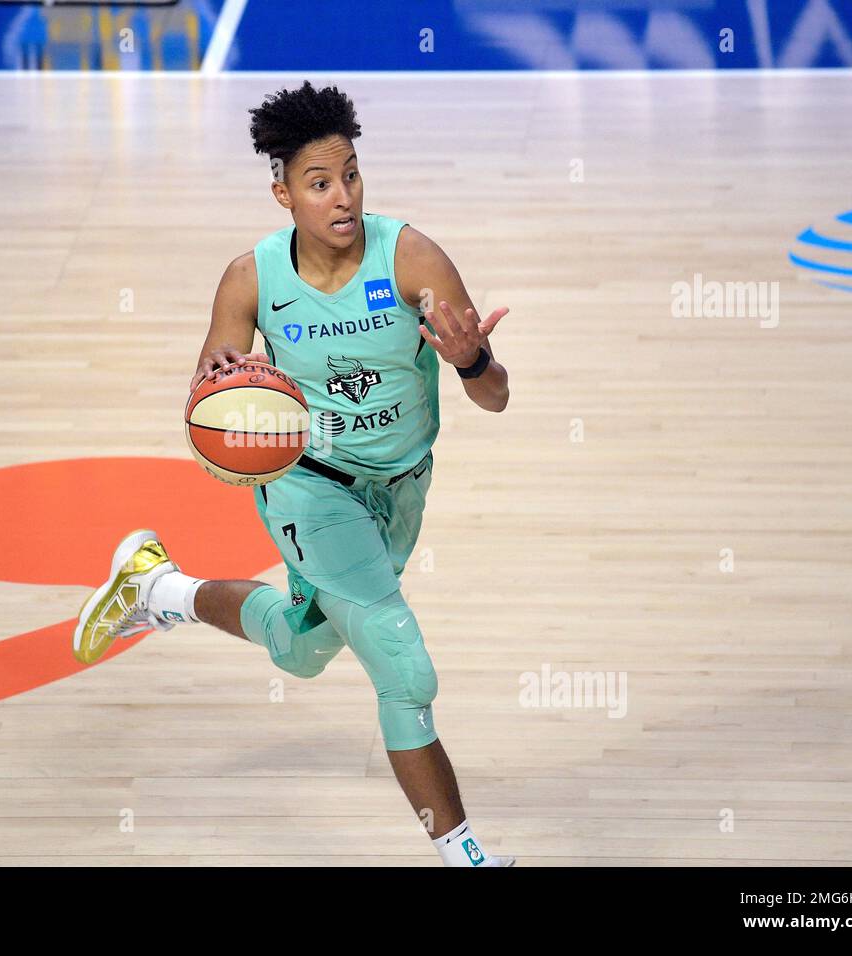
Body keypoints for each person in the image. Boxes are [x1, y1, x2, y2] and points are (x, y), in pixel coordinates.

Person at [74, 82, 512, 867]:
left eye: (351, 174)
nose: (341, 196)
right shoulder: (251, 278)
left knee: (301, 651)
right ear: (282, 192)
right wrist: (220, 388)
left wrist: (472, 359)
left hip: (402, 488)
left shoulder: (411, 256)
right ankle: (465, 855)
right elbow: (209, 410)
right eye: (319, 183)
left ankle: (155, 589)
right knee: (404, 670)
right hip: (310, 490)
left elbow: (496, 397)